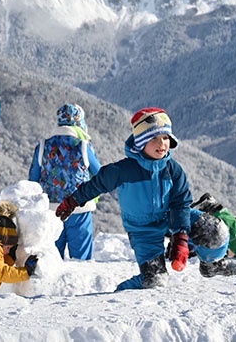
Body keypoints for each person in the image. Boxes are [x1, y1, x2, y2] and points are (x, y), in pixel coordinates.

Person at [56, 108, 193, 291]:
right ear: (141, 143)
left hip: (170, 217)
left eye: (166, 137)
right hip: (143, 229)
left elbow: (181, 202)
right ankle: (118, 297)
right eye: (153, 138)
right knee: (154, 280)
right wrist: (73, 201)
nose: (162, 143)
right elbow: (97, 183)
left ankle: (213, 264)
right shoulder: (124, 170)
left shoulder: (173, 169)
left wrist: (181, 235)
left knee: (214, 231)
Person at [28, 103, 101, 260]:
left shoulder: (43, 146)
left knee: (51, 258)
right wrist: (93, 196)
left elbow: (33, 181)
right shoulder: (83, 146)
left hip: (51, 210)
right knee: (81, 260)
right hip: (79, 207)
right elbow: (100, 174)